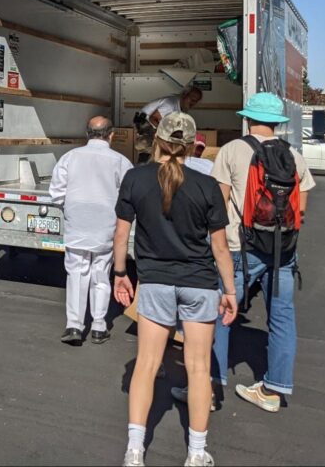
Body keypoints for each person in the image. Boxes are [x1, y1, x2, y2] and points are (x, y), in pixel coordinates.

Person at [112, 113, 238, 467]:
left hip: (154, 282)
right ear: (193, 144)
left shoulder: (135, 178)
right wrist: (229, 290)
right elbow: (221, 249)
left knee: (147, 365)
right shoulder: (207, 185)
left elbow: (121, 235)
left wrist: (121, 273)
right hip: (200, 283)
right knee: (198, 369)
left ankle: (135, 449)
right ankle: (196, 452)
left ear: (157, 140)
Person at [185, 92, 315, 414]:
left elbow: (219, 204)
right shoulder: (293, 155)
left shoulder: (232, 150)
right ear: (277, 123)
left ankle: (210, 388)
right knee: (282, 317)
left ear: (248, 118)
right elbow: (302, 211)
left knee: (220, 313)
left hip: (239, 251)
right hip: (282, 252)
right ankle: (273, 390)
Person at [50, 116, 132, 346]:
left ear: (87, 134)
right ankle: (98, 325)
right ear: (111, 135)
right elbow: (129, 195)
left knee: (76, 274)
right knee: (101, 275)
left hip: (77, 226)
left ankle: (74, 325)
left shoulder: (69, 158)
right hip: (106, 228)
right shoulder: (121, 161)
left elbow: (56, 193)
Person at [134, 86, 203, 163]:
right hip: (147, 126)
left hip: (154, 127)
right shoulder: (170, 104)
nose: (193, 103)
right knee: (148, 151)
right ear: (184, 95)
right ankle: (143, 169)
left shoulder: (180, 106)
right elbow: (154, 118)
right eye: (192, 99)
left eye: (196, 101)